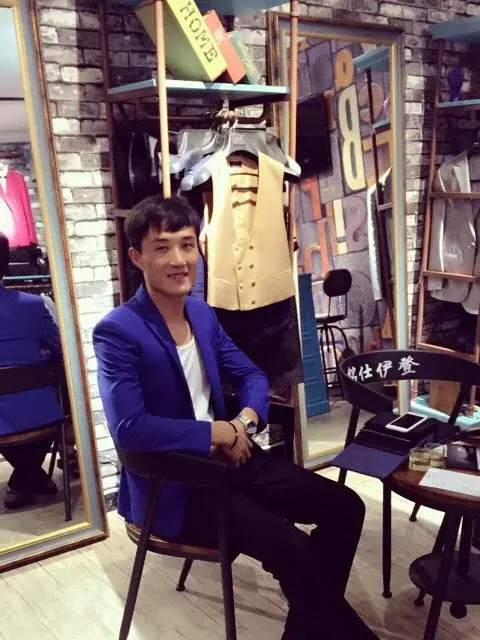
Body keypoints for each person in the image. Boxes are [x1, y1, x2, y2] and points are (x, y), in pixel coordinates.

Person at [93, 196, 378, 639]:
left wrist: (241, 425)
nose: (179, 260)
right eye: (162, 247)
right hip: (176, 484)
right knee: (294, 551)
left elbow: (251, 375)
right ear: (137, 257)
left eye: (187, 245)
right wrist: (218, 432)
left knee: (345, 507)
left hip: (233, 458)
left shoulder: (201, 314)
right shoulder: (118, 331)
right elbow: (130, 428)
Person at [0, 232, 63, 508]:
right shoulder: (34, 305)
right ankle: (30, 476)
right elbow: (61, 351)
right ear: (6, 264)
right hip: (42, 411)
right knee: (60, 399)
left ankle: (23, 478)